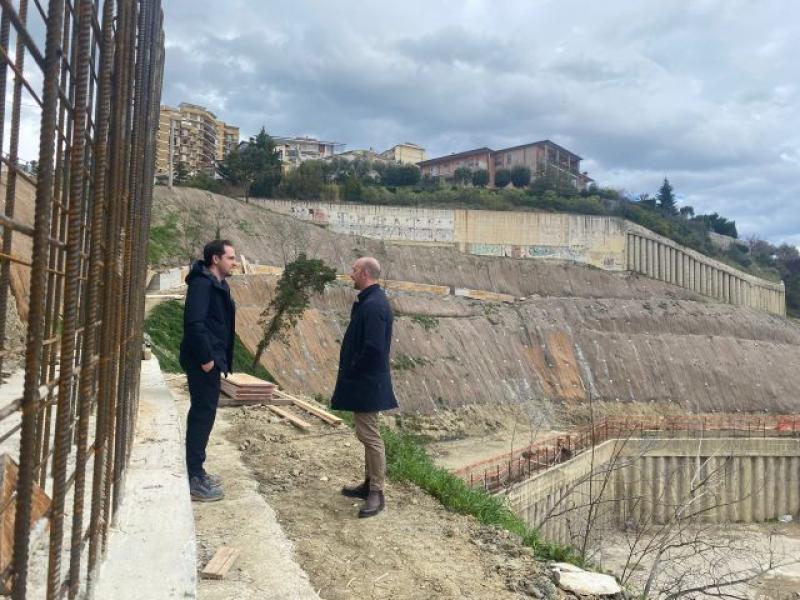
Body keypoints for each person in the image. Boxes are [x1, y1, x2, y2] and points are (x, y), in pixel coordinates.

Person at [331, 257, 398, 518]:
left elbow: (373, 349)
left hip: (368, 382)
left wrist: (353, 370)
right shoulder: (370, 302)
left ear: (366, 273)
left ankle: (376, 493)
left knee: (370, 437)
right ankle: (369, 485)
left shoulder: (374, 306)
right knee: (366, 434)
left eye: (355, 270)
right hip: (366, 381)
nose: (351, 274)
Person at [180, 239, 237, 502]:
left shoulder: (217, 284)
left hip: (211, 359)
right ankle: (194, 477)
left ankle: (196, 471)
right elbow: (194, 324)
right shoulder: (203, 284)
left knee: (204, 414)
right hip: (203, 361)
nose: (234, 262)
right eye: (231, 258)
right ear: (216, 259)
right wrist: (207, 359)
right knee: (203, 415)